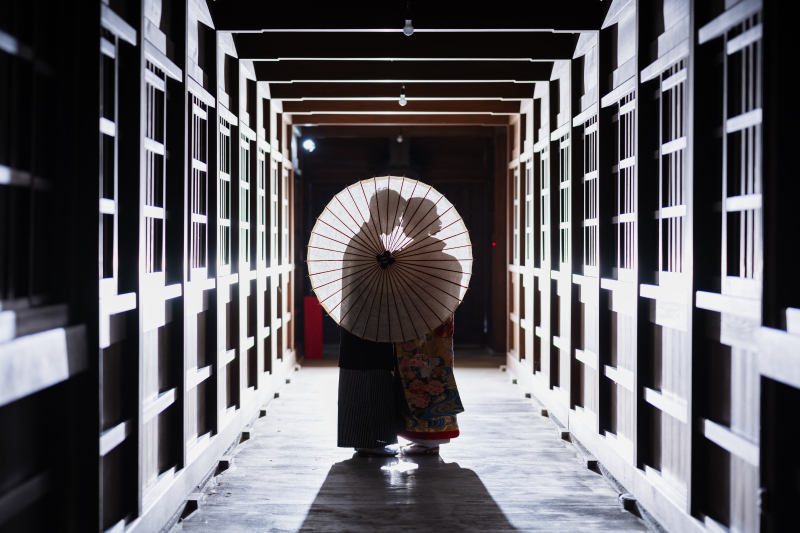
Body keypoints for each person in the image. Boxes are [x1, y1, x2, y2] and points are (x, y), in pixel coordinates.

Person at [336, 185, 407, 456]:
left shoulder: (370, 241)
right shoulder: (369, 245)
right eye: (396, 216)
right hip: (365, 322)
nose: (398, 223)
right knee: (367, 380)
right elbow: (370, 286)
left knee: (372, 379)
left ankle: (371, 440)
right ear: (383, 212)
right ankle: (369, 442)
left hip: (366, 321)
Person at [392, 196, 465, 455]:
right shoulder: (450, 260)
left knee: (416, 380)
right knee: (435, 377)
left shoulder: (402, 260)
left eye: (406, 220)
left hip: (412, 328)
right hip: (438, 329)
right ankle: (430, 438)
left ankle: (427, 439)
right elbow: (453, 297)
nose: (402, 225)